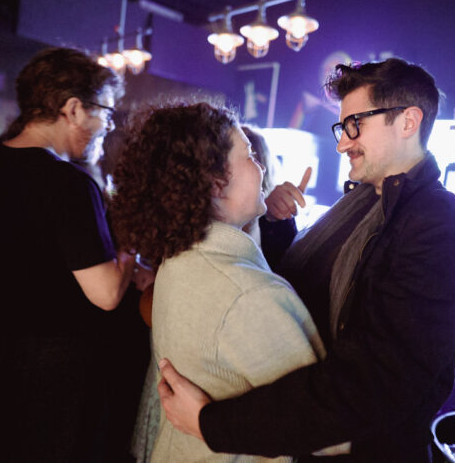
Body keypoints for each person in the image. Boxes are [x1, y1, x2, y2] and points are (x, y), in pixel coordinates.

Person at [156, 58, 455, 462]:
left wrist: (211, 424)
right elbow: (298, 293)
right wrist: (277, 224)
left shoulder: (446, 232)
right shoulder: (362, 203)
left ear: (408, 122)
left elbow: (373, 387)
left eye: (356, 125)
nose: (342, 144)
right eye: (342, 127)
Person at [0, 47, 136, 461]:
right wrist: (130, 249)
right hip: (41, 376)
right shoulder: (71, 185)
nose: (108, 125)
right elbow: (106, 294)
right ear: (73, 110)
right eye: (106, 112)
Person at [110, 102, 327, 462]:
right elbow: (320, 425)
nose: (261, 167)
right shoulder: (249, 295)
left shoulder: (179, 259)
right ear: (215, 183)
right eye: (249, 156)